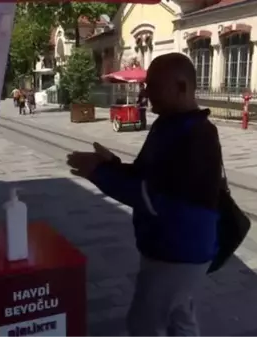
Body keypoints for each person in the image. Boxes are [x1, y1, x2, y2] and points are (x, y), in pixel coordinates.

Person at [66, 53, 222, 337]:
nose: (146, 93)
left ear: (181, 87)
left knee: (144, 325)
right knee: (179, 320)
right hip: (170, 246)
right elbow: (145, 174)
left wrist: (99, 174)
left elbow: (155, 197)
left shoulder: (198, 136)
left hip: (179, 250)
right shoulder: (167, 125)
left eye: (153, 86)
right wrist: (110, 165)